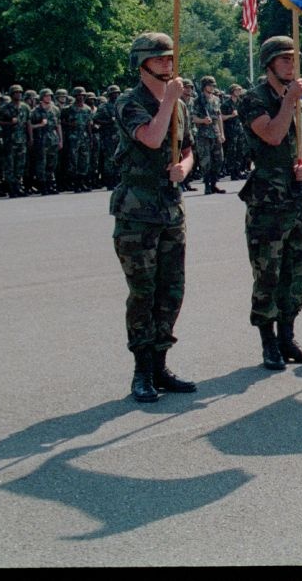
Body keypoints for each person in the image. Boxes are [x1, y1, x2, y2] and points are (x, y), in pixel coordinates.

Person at [110, 31, 197, 403]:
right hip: (137, 211)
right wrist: (170, 101)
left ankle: (160, 364)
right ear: (142, 63)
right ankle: (142, 371)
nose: (168, 63)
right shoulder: (129, 102)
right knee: (143, 293)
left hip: (170, 208)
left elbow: (188, 148)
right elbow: (150, 138)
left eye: (170, 58)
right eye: (159, 58)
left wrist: (185, 168)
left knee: (171, 291)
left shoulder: (177, 104)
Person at [238, 36, 302, 370]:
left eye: (294, 59)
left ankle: (288, 336)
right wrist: (289, 101)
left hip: (296, 199)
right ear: (269, 64)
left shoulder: (298, 101)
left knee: (298, 273)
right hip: (267, 203)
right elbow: (271, 134)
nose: (291, 65)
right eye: (285, 59)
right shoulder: (253, 100)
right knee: (268, 274)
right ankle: (268, 343)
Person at [193, 76, 224, 194]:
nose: (212, 87)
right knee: (206, 161)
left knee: (219, 160)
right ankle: (207, 185)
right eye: (210, 85)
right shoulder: (197, 101)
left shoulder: (216, 99)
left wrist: (222, 133)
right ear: (204, 86)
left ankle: (214, 184)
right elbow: (193, 118)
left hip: (215, 133)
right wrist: (203, 121)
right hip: (203, 135)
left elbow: (219, 116)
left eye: (213, 85)